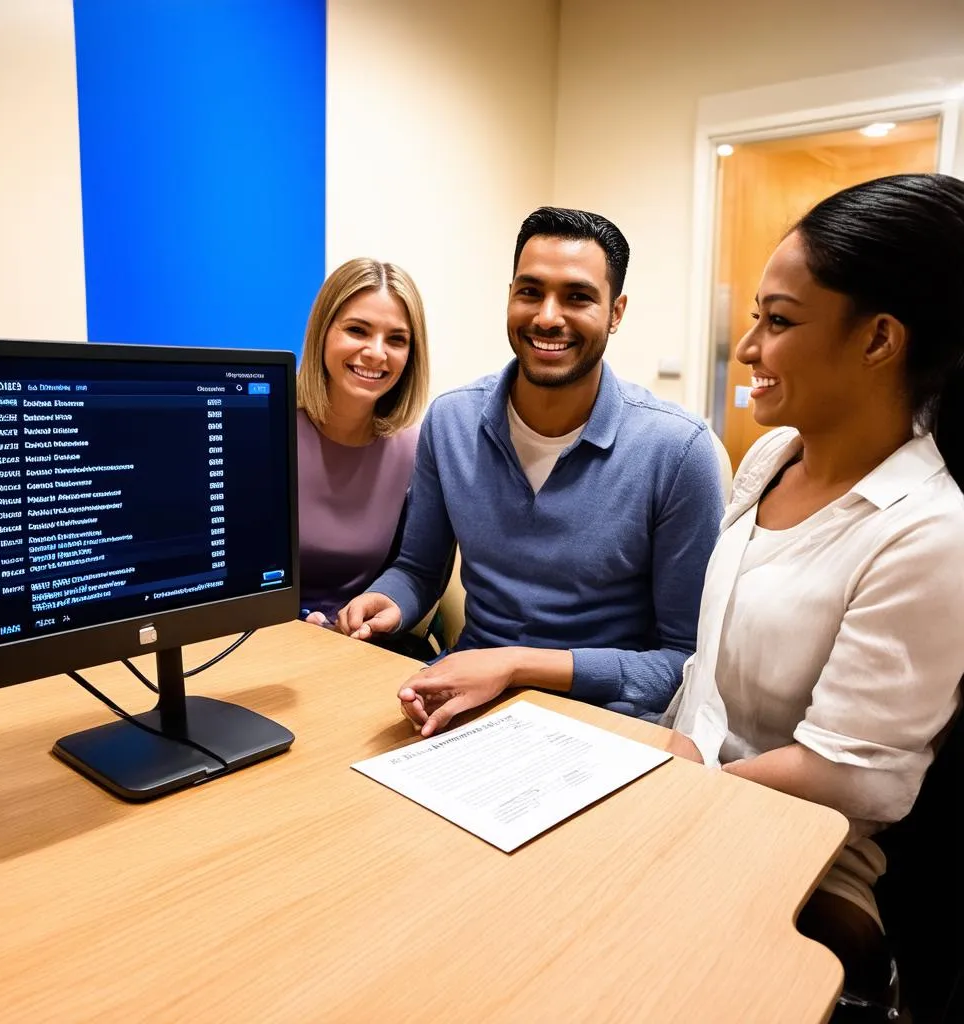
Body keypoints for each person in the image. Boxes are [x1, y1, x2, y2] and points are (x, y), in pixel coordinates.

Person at [661, 174, 964, 1010]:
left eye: (780, 321)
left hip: (802, 862)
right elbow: (707, 676)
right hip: (682, 799)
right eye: (755, 315)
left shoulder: (928, 531)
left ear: (878, 342)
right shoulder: (769, 461)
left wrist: (668, 794)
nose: (750, 347)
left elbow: (854, 780)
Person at [336, 207, 725, 722]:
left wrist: (517, 665)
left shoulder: (677, 450)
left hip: (608, 718)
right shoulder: (451, 420)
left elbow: (683, 663)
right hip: (467, 699)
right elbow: (419, 569)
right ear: (510, 295)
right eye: (530, 291)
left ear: (616, 311)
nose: (547, 316)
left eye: (578, 297)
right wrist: (388, 601)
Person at [296, 257, 430, 627]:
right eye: (357, 330)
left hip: (358, 645)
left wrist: (370, 619)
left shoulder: (417, 450)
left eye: (397, 339)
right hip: (252, 640)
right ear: (324, 331)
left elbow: (413, 572)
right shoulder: (264, 431)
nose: (376, 352)